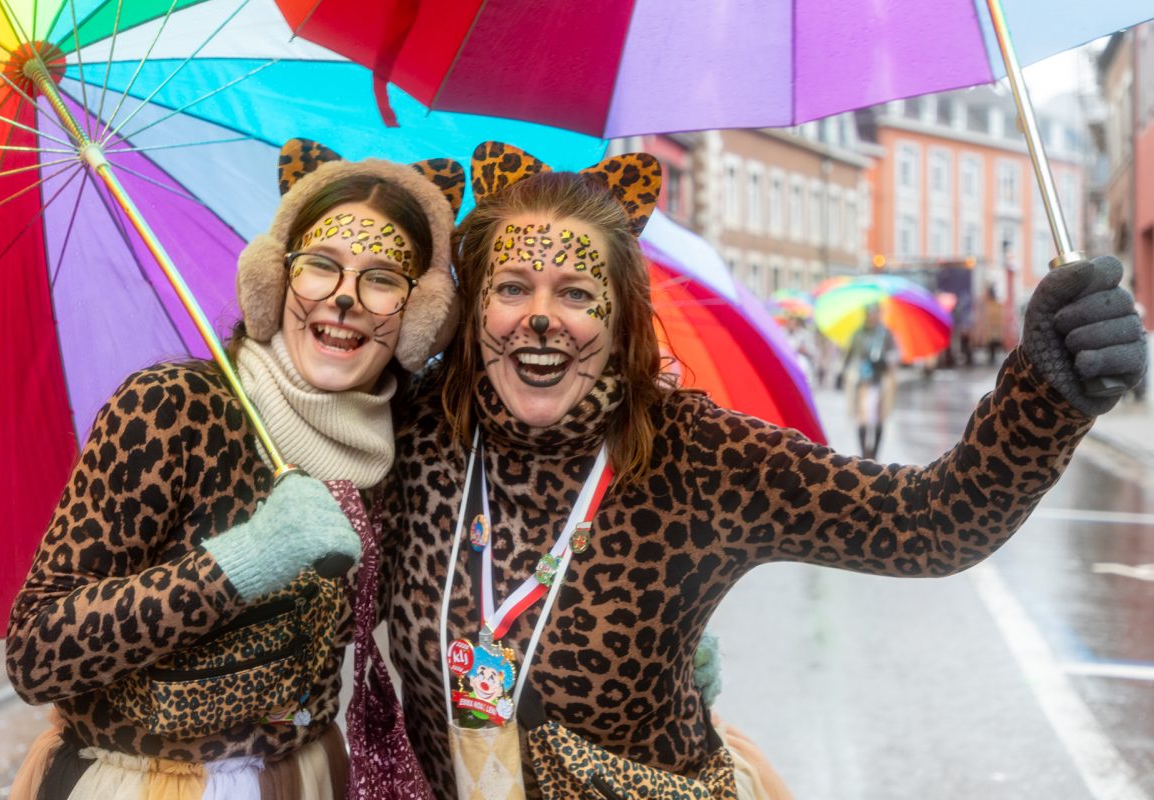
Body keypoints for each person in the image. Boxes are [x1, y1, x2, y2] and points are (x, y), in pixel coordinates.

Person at [380, 141, 1147, 799]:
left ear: (620, 319)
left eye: (577, 292)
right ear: (473, 307)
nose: (540, 318)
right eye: (512, 288)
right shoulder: (418, 433)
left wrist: (1045, 394)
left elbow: (932, 522)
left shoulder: (700, 456)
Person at [4, 139, 462, 800]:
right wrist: (245, 560)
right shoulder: (173, 408)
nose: (343, 298)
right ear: (275, 280)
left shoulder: (398, 444)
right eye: (319, 266)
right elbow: (35, 655)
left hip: (306, 778)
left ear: (419, 318)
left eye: (383, 278)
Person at [840, 303, 898, 459]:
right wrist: (842, 373)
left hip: (881, 379)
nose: (872, 316)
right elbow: (850, 355)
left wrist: (886, 361)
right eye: (870, 313)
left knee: (879, 417)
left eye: (875, 313)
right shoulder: (858, 334)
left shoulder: (886, 333)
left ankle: (875, 454)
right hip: (862, 380)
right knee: (862, 417)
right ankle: (864, 453)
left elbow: (894, 353)